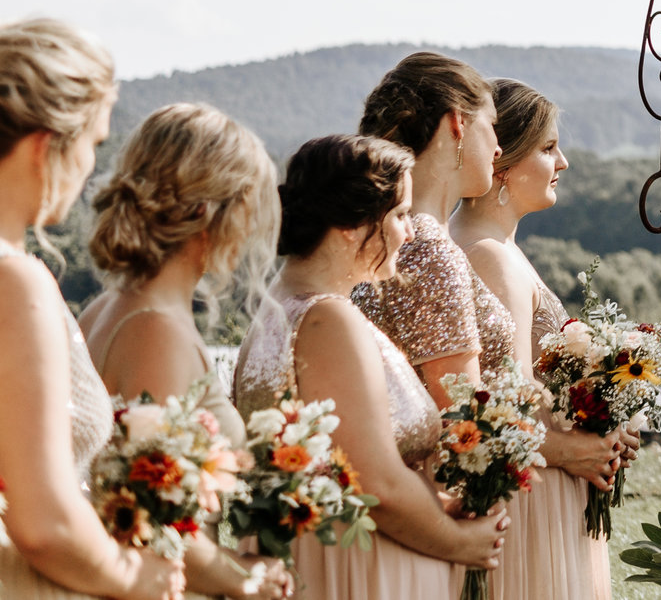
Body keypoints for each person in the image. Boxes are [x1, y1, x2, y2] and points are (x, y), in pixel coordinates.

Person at [235, 134, 506, 600]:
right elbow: (374, 480)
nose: (411, 231)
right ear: (351, 226)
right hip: (361, 565)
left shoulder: (279, 307)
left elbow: (343, 459)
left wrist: (438, 503)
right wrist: (461, 543)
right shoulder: (327, 319)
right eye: (400, 215)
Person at [0, 17, 185, 600]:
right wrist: (136, 577)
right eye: (94, 144)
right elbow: (46, 523)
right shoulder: (15, 283)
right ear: (47, 145)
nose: (89, 168)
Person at [81, 104, 292, 600]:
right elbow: (160, 527)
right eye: (249, 203)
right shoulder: (156, 330)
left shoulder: (109, 306)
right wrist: (252, 580)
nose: (253, 225)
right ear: (207, 210)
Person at [451, 81, 626, 600]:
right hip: (534, 502)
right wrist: (577, 450)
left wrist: (603, 424)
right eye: (548, 148)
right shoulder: (491, 258)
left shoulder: (497, 247)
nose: (563, 162)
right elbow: (502, 414)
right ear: (502, 165)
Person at [354, 54, 515, 405]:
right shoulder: (427, 249)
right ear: (458, 122)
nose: (498, 147)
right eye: (491, 125)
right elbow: (463, 419)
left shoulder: (386, 234)